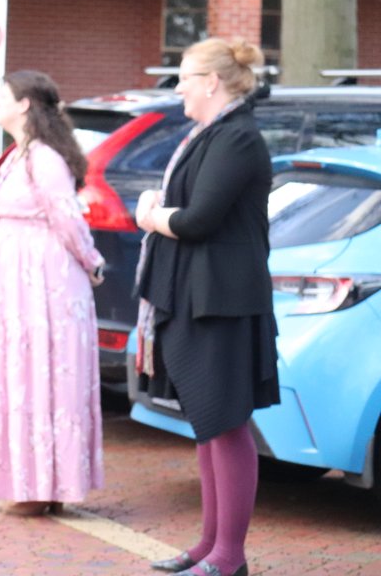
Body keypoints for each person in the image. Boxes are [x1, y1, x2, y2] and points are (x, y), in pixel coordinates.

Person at [136, 39, 276, 576]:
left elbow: (199, 220)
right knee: (207, 424)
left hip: (222, 301)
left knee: (226, 424)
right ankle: (209, 547)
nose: (179, 88)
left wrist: (151, 214)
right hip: (192, 297)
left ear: (212, 81)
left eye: (185, 78)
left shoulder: (237, 138)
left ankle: (228, 557)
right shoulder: (210, 134)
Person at [0, 70, 105, 515]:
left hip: (46, 286)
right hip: (21, 285)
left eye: (3, 95)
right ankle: (32, 482)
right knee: (25, 375)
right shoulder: (20, 155)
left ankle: (46, 486)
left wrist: (92, 263)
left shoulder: (43, 158)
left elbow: (68, 219)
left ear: (25, 104)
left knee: (45, 374)